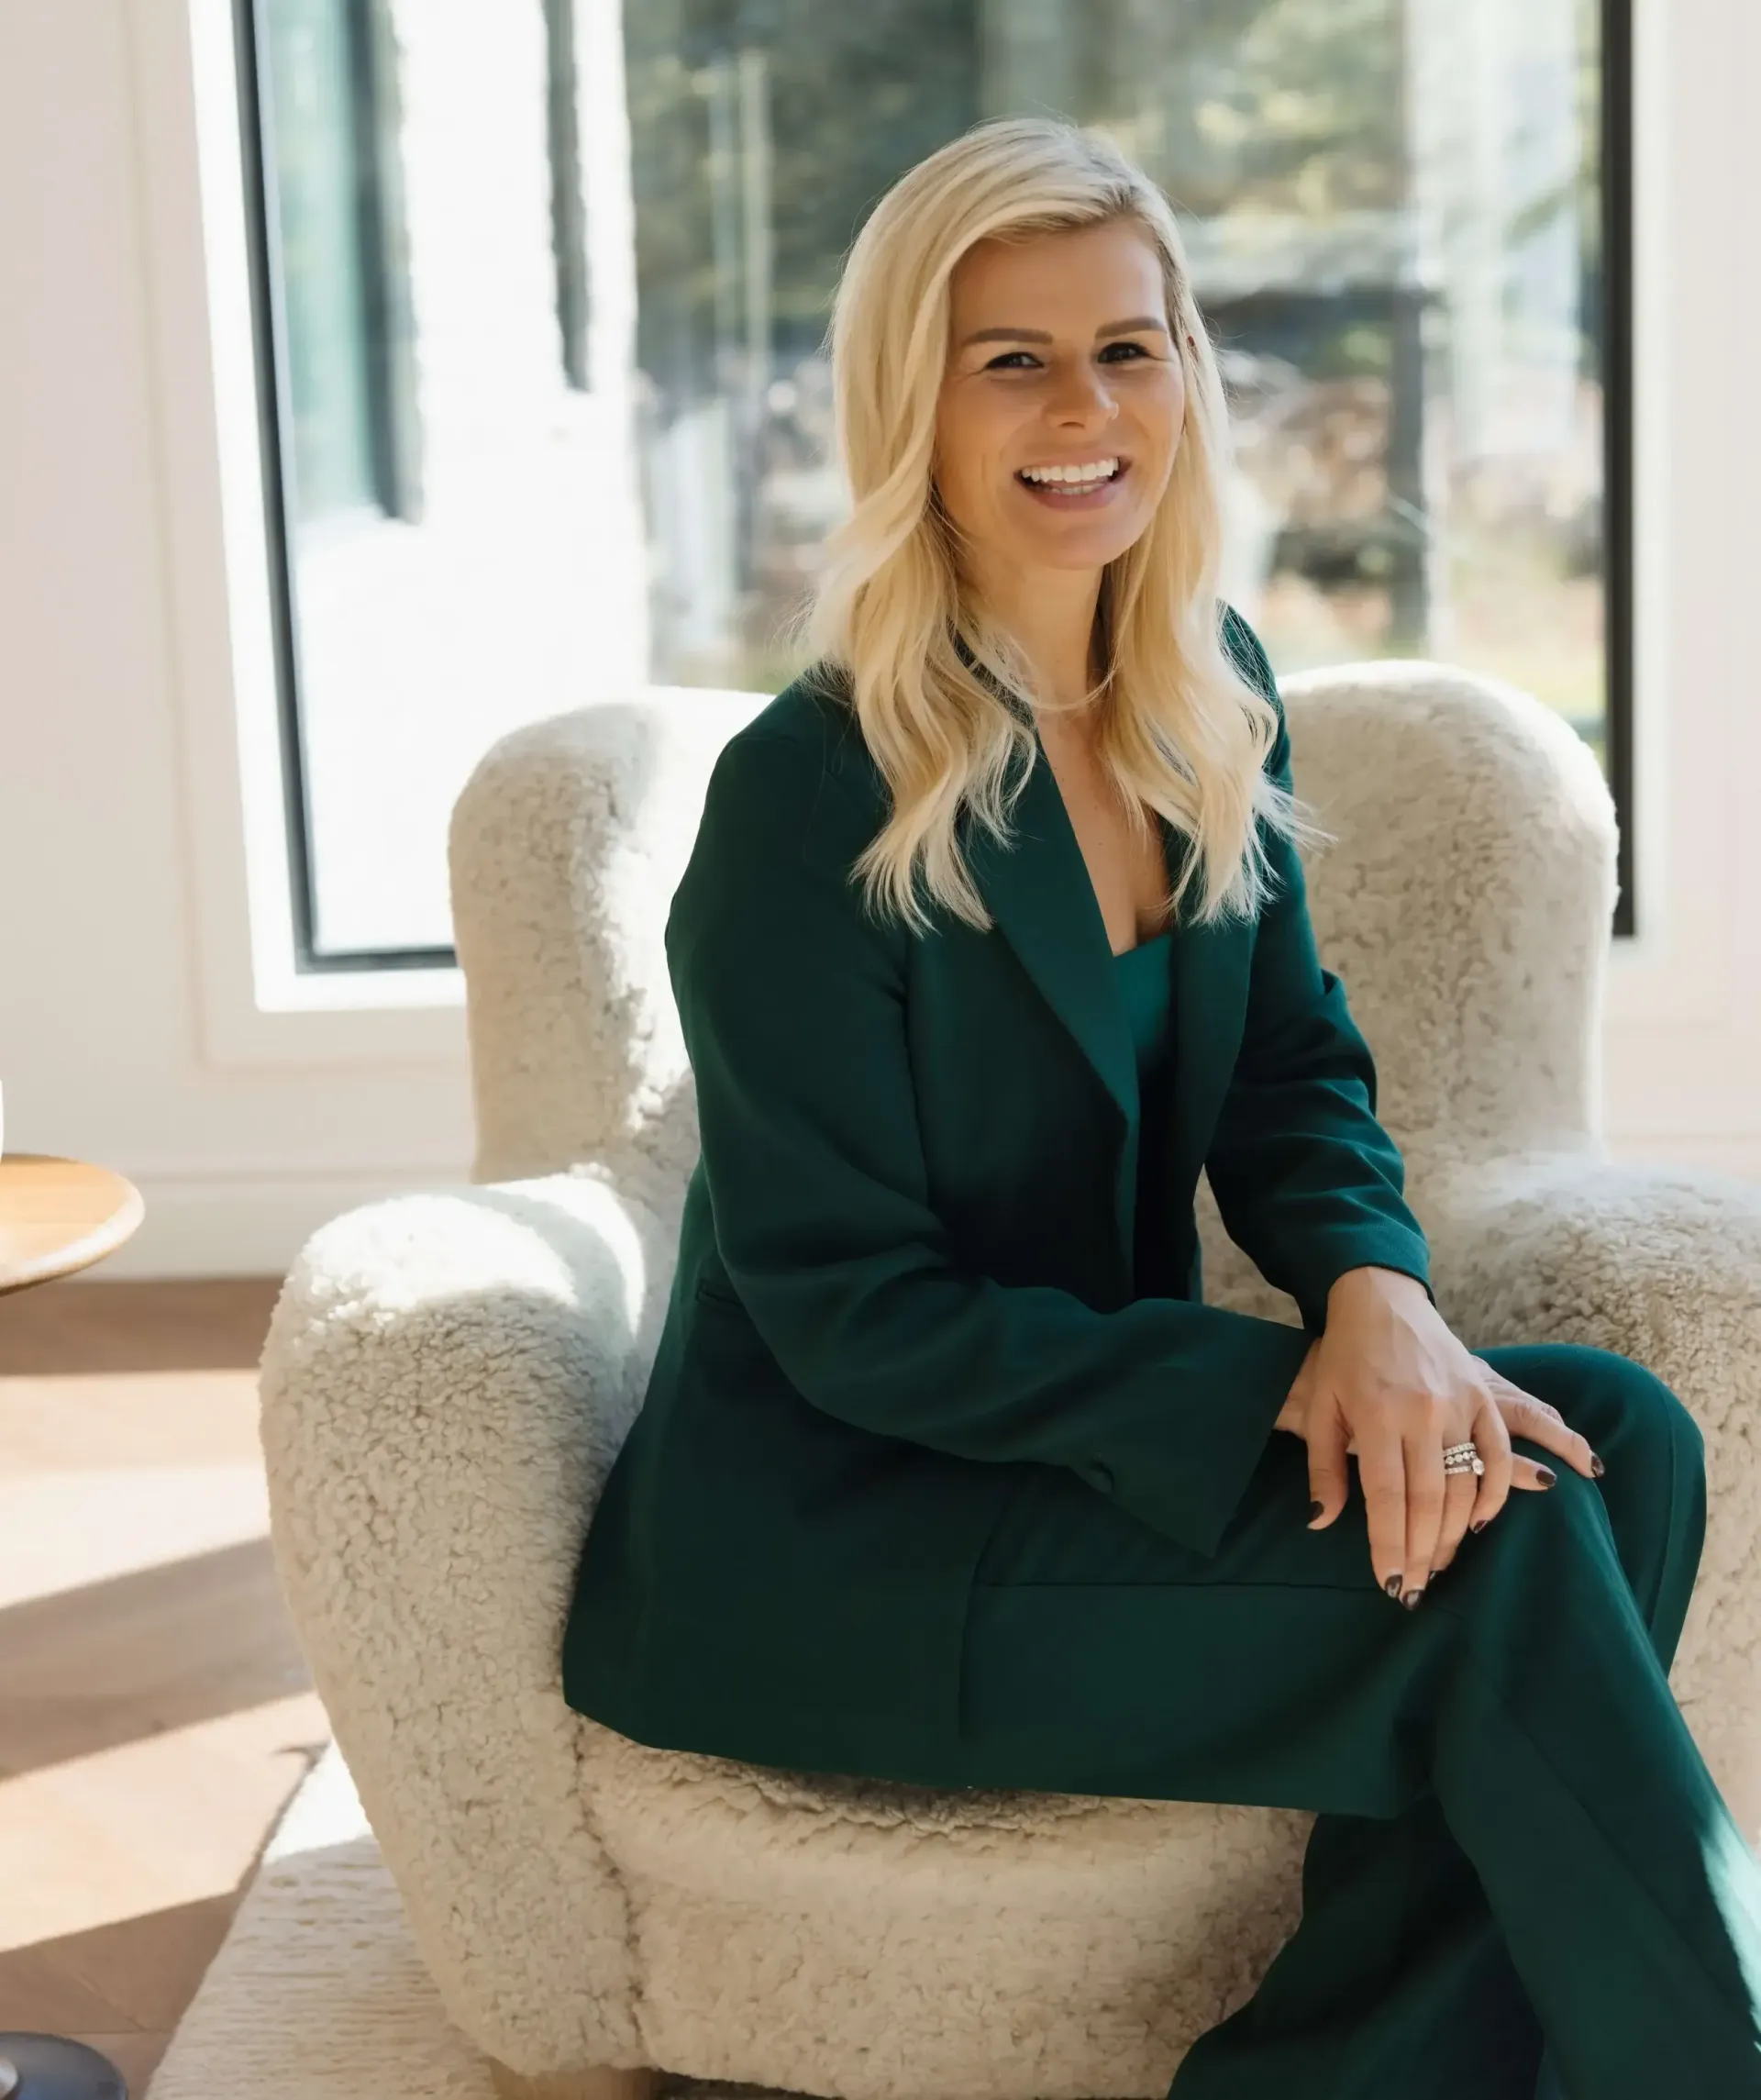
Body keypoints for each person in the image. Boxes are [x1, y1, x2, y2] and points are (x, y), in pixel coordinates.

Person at [561, 115, 1761, 2096]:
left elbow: (1293, 1073)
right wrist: (1270, 1388)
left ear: (1188, 373)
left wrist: (1378, 1300)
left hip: (1075, 1458)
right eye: (1010, 357)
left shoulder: (1208, 691)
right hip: (855, 1538)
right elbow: (853, 1309)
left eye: (1129, 346)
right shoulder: (809, 797)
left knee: (1612, 1445)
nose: (1084, 407)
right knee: (1518, 1541)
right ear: (912, 403)